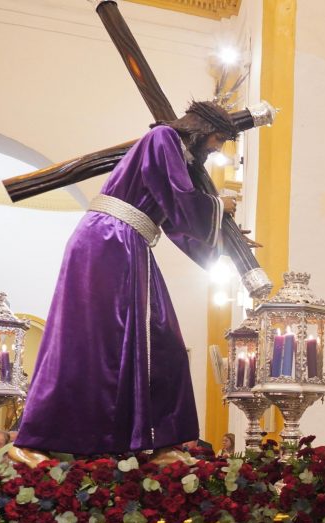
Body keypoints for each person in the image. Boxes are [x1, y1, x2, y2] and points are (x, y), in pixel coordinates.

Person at [14, 102, 244, 459]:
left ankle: (160, 444)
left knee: (162, 338)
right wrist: (218, 206)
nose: (217, 149)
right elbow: (183, 202)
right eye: (218, 139)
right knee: (90, 345)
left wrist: (227, 243)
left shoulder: (175, 156)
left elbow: (176, 223)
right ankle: (33, 441)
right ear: (202, 128)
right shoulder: (163, 137)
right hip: (107, 240)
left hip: (129, 243)